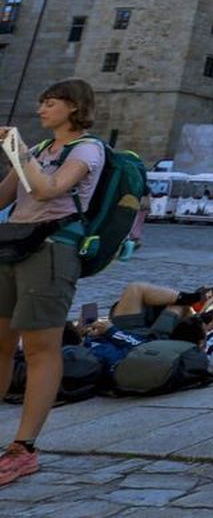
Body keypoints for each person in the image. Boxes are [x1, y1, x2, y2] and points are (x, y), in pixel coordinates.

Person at [0, 80, 107, 488]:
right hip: (12, 244)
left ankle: (24, 447)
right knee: (1, 343)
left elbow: (48, 190)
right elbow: (4, 197)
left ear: (74, 107)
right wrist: (15, 153)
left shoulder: (87, 149)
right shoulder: (41, 150)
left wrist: (19, 147)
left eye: (51, 102)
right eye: (42, 101)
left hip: (51, 249)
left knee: (42, 348)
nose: (42, 108)